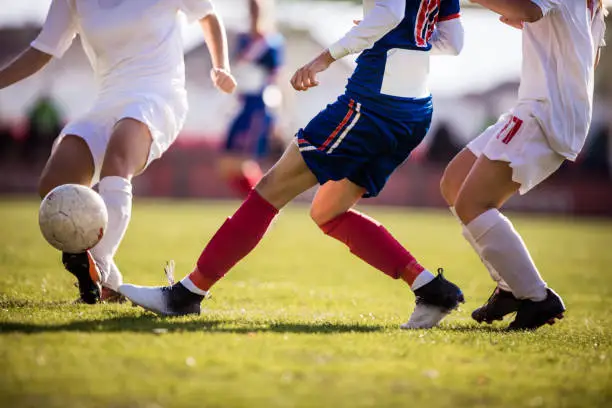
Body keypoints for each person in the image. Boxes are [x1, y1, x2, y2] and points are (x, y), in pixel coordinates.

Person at [121, 0, 466, 329]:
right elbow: (452, 43)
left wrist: (324, 58)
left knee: (271, 189)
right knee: (328, 212)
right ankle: (431, 290)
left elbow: (390, 13)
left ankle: (186, 294)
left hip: (374, 103)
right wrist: (394, 37)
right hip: (415, 109)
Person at [0, 0, 237, 304]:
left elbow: (208, 15)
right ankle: (108, 282)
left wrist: (221, 67)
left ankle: (97, 264)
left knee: (117, 160)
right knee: (54, 185)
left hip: (158, 95)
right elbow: (41, 50)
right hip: (107, 101)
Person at [439, 0, 607, 330]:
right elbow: (587, 54)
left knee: (472, 203)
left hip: (543, 113)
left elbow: (530, 10)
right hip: (537, 108)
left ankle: (536, 297)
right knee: (454, 183)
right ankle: (510, 288)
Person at [219, 0, 285, 197]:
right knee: (226, 164)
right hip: (242, 104)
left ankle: (261, 207)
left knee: (244, 161)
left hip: (259, 106)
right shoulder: (243, 39)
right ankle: (257, 205)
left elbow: (277, 79)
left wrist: (278, 116)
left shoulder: (272, 43)